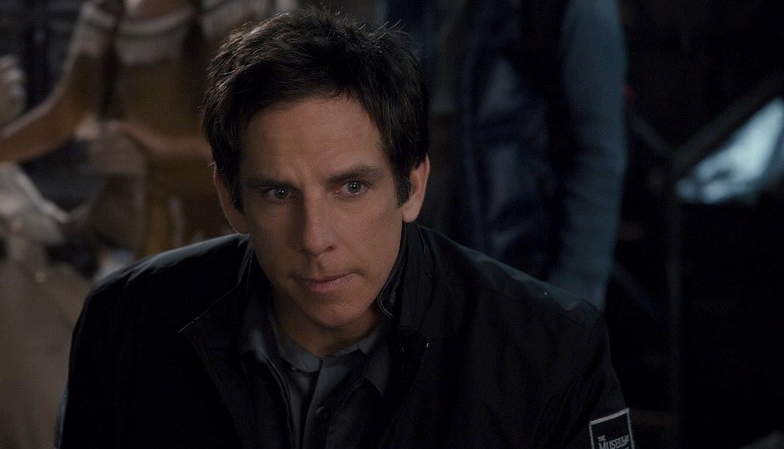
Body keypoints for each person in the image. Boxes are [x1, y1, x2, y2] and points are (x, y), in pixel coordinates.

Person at [57, 9, 633, 448]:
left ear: (412, 186)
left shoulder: (552, 352)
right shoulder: (125, 324)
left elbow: (599, 150)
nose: (315, 239)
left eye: (351, 188)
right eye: (278, 193)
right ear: (230, 199)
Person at [0, 0, 295, 261]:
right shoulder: (110, 10)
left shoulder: (233, 7)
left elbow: (259, 128)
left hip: (222, 217)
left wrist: (160, 146)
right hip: (145, 217)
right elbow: (65, 113)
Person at [381, 0, 628, 309]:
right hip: (419, 267)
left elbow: (597, 155)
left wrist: (572, 299)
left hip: (521, 276)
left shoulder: (571, 9)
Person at [0, 55, 93, 449]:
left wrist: (124, 190)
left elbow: (70, 236)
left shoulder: (1, 171)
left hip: (80, 339)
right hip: (6, 371)